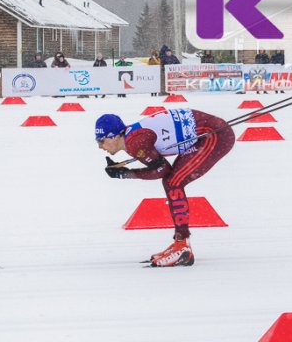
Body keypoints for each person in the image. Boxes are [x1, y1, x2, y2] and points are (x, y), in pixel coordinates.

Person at [95, 110, 235, 267]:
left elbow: (162, 170)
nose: (100, 146)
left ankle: (182, 247)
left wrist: (126, 174)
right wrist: (125, 172)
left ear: (114, 136)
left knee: (173, 182)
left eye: (101, 140)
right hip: (211, 130)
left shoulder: (135, 143)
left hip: (215, 135)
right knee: (171, 181)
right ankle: (180, 243)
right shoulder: (132, 139)